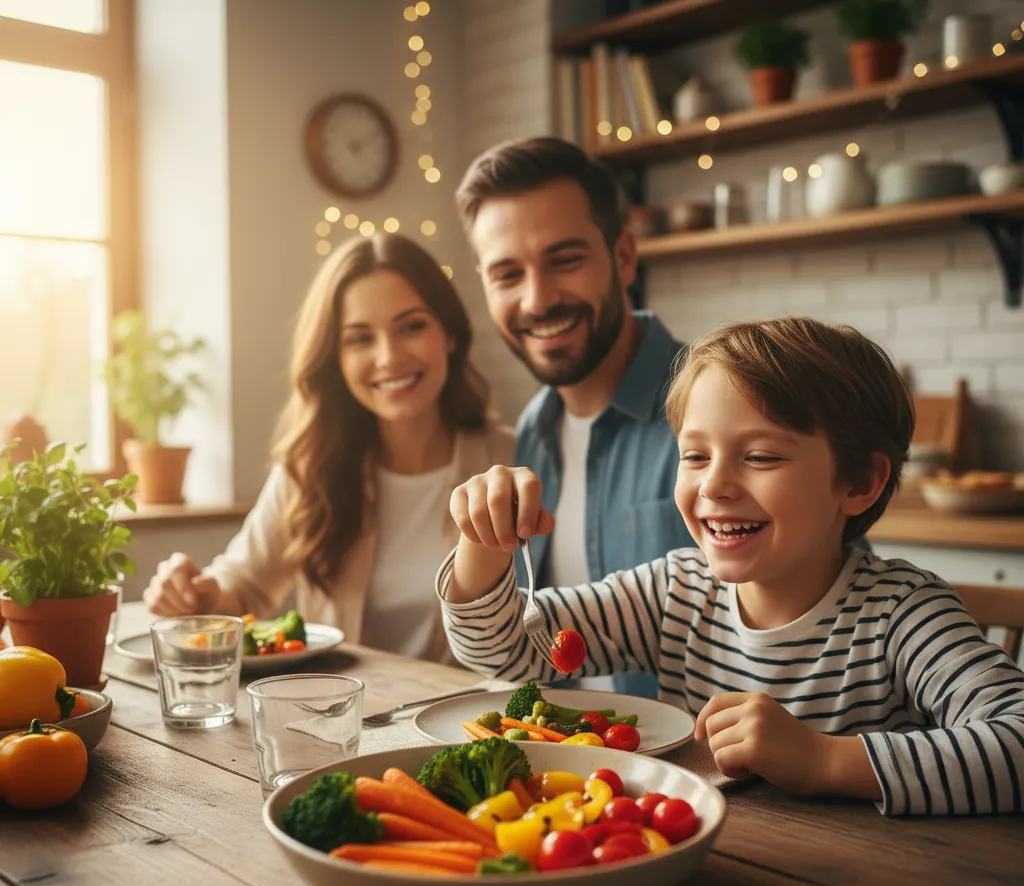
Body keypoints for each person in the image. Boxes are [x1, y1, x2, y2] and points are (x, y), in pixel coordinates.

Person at [436, 316, 1024, 816]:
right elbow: (505, 652)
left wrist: (824, 759)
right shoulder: (674, 592)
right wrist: (483, 544)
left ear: (859, 482)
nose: (714, 485)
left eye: (761, 456)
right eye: (694, 456)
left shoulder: (901, 613)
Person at [145, 233, 512, 663]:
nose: (389, 357)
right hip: (339, 721)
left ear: (449, 332)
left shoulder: (512, 461)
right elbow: (243, 585)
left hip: (469, 724)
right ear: (334, 358)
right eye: (360, 338)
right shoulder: (311, 465)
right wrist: (194, 595)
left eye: (411, 326)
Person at [455, 136, 692, 695]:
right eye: (507, 274)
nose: (537, 300)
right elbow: (519, 646)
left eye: (564, 260)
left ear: (624, 257)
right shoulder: (533, 430)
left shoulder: (720, 405)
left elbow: (838, 609)